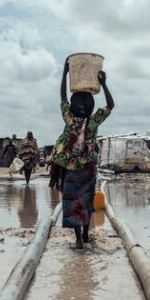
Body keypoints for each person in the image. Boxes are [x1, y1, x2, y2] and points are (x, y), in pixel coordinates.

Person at [53, 59, 114, 249]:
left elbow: (62, 97)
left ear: (73, 105)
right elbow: (110, 105)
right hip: (88, 169)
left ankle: (79, 239)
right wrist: (103, 84)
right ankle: (86, 235)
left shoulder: (69, 119)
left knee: (73, 203)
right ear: (90, 106)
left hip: (70, 170)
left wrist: (65, 74)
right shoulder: (93, 122)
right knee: (86, 202)